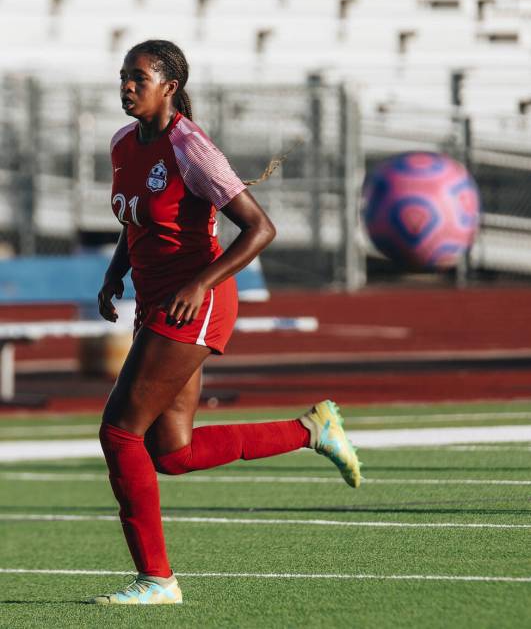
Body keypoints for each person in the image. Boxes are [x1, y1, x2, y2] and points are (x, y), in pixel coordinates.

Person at [91, 39, 361, 605]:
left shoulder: (191, 147)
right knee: (173, 452)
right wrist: (116, 273)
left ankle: (158, 581)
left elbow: (260, 228)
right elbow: (135, 218)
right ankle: (313, 429)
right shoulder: (123, 143)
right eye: (123, 76)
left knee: (119, 432)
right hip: (156, 301)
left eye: (139, 77)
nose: (126, 86)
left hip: (195, 302)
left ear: (170, 85)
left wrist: (200, 283)